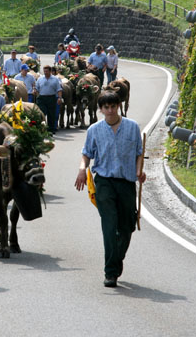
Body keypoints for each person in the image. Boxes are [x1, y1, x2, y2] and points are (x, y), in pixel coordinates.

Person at [74, 91, 146, 288]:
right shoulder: (94, 130)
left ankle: (116, 259)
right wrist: (82, 170)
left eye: (113, 106)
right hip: (104, 182)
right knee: (109, 224)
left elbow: (139, 153)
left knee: (127, 226)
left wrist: (139, 171)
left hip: (126, 182)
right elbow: (86, 154)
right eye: (106, 107)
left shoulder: (132, 127)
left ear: (118, 106)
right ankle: (111, 272)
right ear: (101, 109)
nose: (110, 110)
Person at [35, 65, 63, 134]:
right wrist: (35, 91)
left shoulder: (55, 79)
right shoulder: (40, 79)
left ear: (50, 71)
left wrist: (59, 98)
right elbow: (36, 88)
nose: (45, 72)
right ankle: (42, 129)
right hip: (42, 98)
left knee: (51, 114)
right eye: (44, 71)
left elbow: (59, 89)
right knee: (42, 113)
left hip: (51, 98)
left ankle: (51, 129)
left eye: (47, 71)